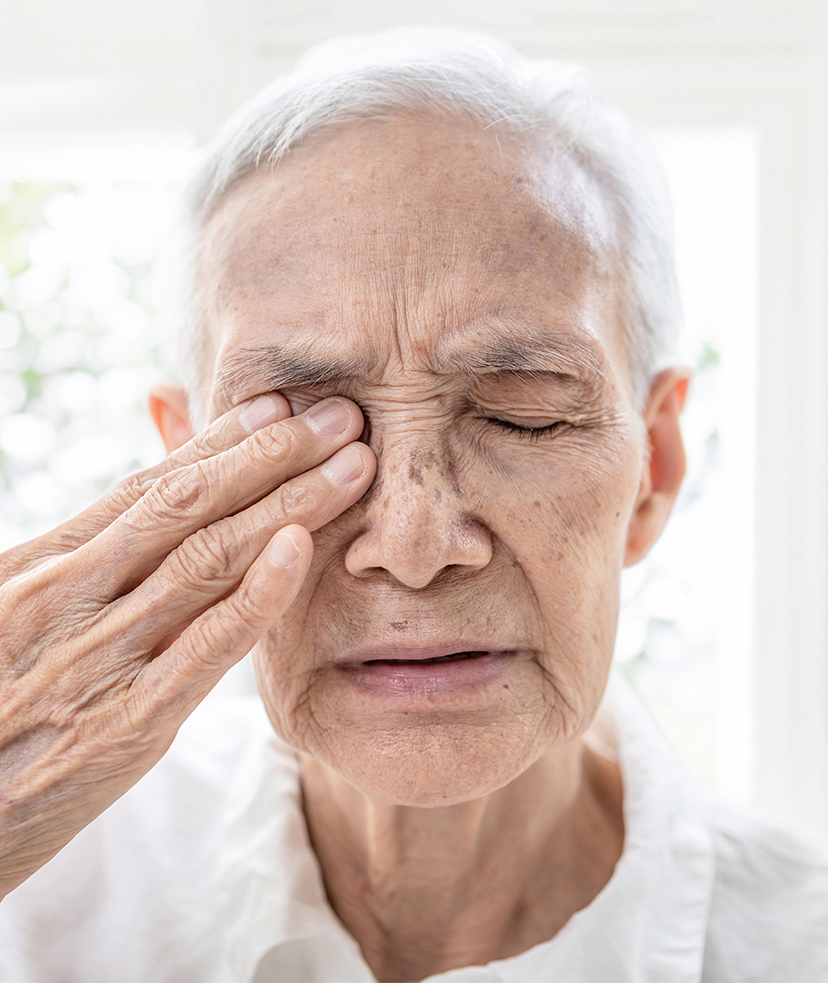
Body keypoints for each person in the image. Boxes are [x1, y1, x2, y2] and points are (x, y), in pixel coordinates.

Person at [0, 28, 826, 983]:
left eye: (525, 418)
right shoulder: (38, 894)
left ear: (655, 465)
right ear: (186, 472)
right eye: (308, 430)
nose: (414, 544)